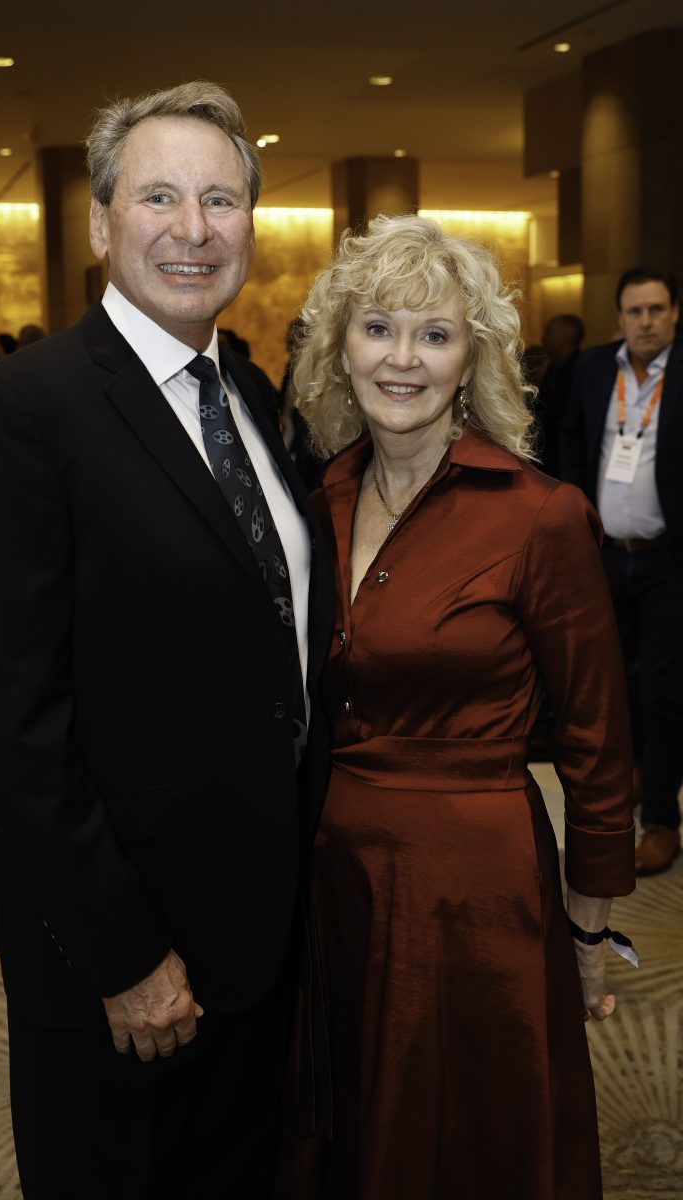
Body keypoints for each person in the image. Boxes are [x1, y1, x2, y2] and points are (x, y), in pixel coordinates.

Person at [0, 81, 333, 1200]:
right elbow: (11, 724)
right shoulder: (21, 410)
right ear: (101, 223)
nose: (193, 228)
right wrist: (123, 955)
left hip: (259, 930)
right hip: (121, 954)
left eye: (221, 199)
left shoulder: (246, 387)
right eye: (158, 197)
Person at [291, 214, 636, 1200]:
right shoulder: (317, 501)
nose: (401, 358)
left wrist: (587, 930)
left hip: (477, 892)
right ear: (340, 349)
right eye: (377, 328)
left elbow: (597, 742)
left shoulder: (538, 515)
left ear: (471, 359)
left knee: (477, 1137)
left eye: (433, 334)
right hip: (333, 880)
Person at [560, 268, 683, 876]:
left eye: (657, 309)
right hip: (605, 555)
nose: (646, 322)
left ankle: (661, 819)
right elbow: (569, 445)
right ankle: (631, 777)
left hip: (667, 560)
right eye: (635, 311)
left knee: (663, 689)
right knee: (612, 682)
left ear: (675, 313)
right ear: (619, 318)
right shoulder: (590, 369)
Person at [533, 312, 585, 477]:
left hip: (567, 459)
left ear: (565, 337)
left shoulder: (581, 369)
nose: (542, 338)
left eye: (548, 333)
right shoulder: (552, 367)